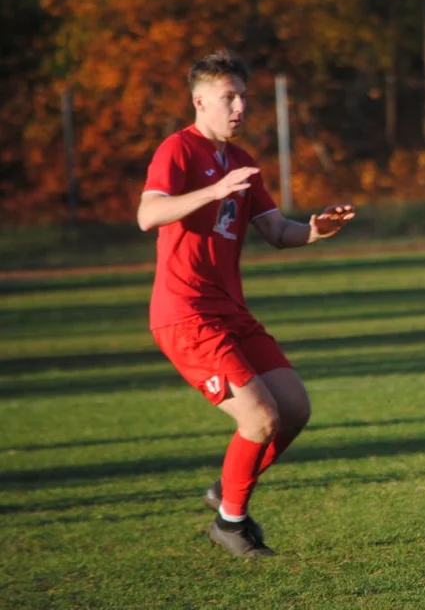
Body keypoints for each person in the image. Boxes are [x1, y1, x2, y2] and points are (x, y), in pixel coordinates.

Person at [138, 50, 355, 557]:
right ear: (199, 101)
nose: (239, 107)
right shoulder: (178, 150)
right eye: (227, 98)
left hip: (231, 310)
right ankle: (231, 524)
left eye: (243, 98)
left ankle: (227, 491)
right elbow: (149, 214)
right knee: (259, 419)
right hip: (184, 312)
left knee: (295, 409)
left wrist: (315, 232)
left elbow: (278, 232)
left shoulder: (242, 162)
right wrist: (212, 191)